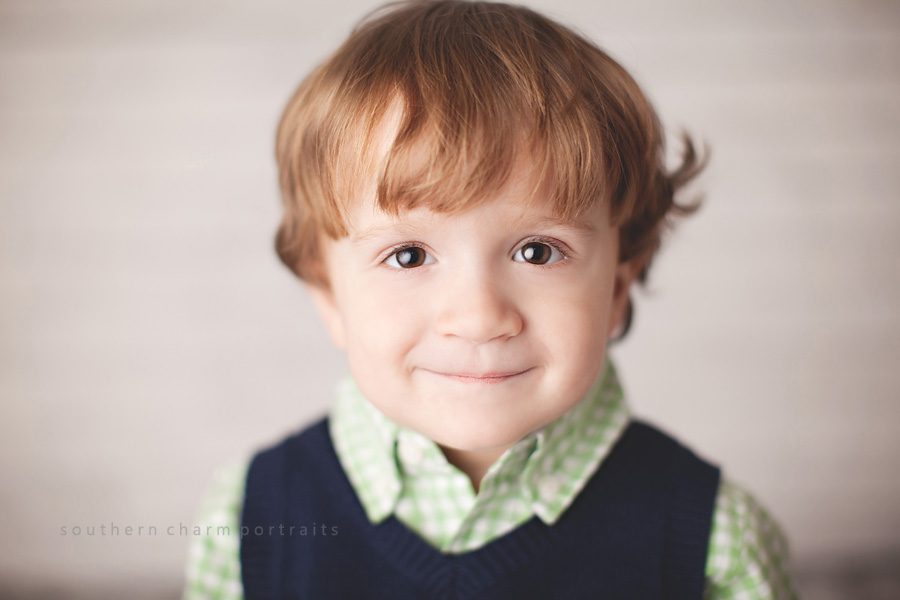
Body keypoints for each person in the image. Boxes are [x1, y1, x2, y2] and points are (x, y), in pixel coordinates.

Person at [183, 1, 797, 597]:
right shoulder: (250, 520)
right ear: (329, 297)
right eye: (409, 255)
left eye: (537, 251)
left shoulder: (713, 543)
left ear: (616, 287)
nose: (479, 318)